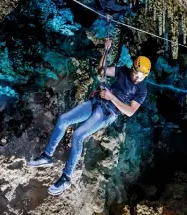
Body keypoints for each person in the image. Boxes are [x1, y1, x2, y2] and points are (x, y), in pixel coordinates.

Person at [27, 38, 151, 196]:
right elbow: (101, 71)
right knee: (63, 119)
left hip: (107, 113)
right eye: (135, 73)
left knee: (78, 135)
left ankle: (66, 178)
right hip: (96, 101)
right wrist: (105, 51)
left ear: (145, 76)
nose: (136, 78)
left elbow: (130, 111)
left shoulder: (142, 90)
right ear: (132, 68)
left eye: (141, 76)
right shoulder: (123, 71)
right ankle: (47, 156)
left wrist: (112, 97)